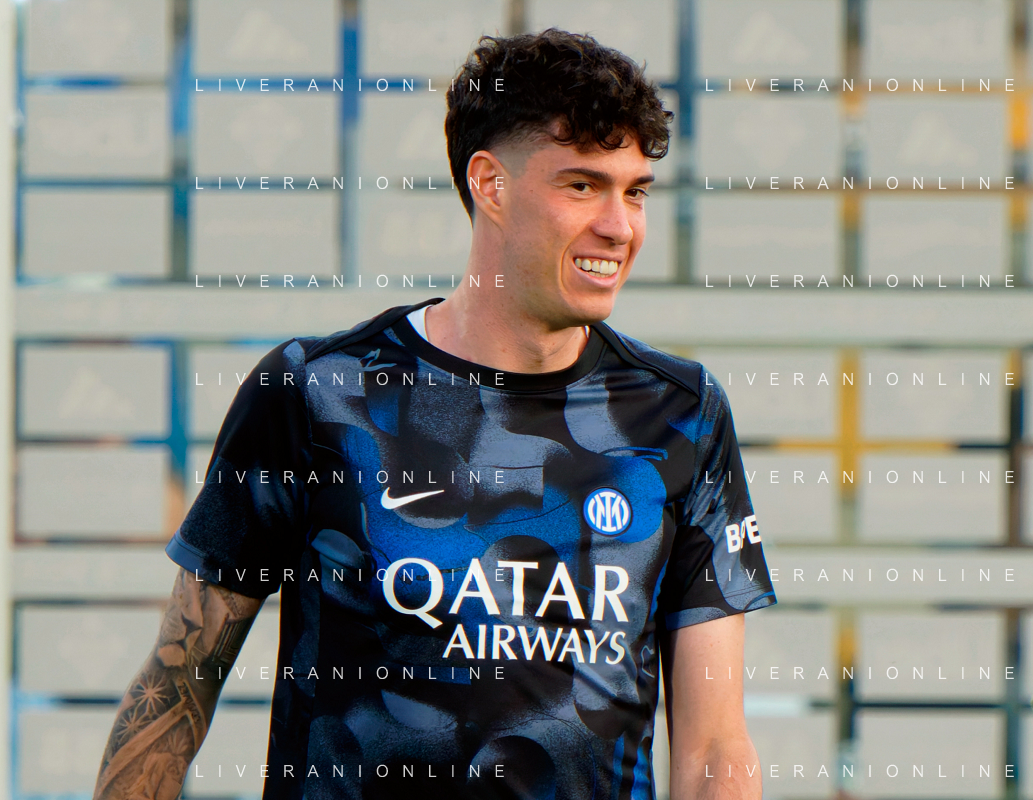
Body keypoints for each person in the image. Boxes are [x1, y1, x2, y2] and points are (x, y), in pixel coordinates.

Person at [93, 27, 777, 800]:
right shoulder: (318, 393)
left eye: (635, 191)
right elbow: (178, 685)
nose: (619, 226)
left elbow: (714, 745)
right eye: (582, 186)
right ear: (490, 185)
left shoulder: (681, 414)